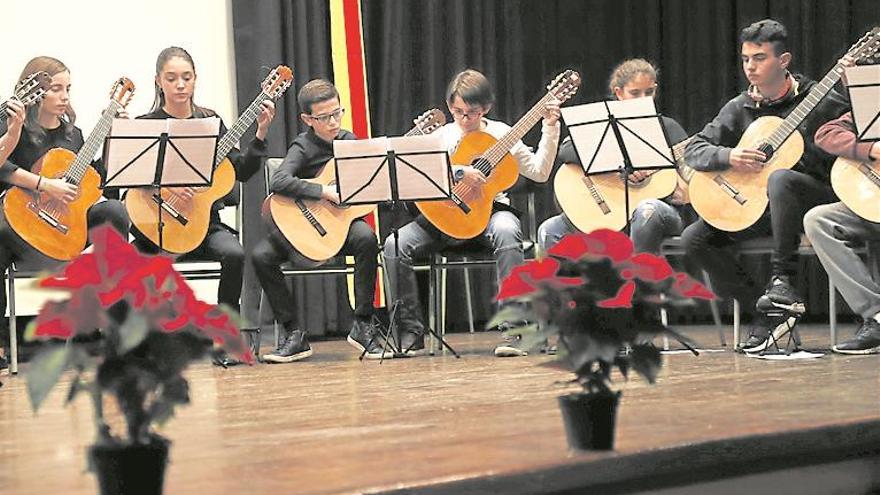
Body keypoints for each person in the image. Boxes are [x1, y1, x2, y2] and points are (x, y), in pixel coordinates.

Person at [681, 19, 849, 353]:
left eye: (759, 58)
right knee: (694, 238)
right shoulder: (740, 107)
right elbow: (695, 149)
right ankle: (768, 312)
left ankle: (782, 280)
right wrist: (729, 156)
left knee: (780, 177)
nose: (750, 67)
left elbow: (853, 127)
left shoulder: (819, 97)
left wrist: (846, 86)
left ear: (783, 60)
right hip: (759, 206)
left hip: (807, 199)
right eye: (745, 59)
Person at [382, 69, 561, 358]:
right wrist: (459, 172)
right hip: (442, 217)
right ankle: (410, 331)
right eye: (457, 111)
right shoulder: (442, 136)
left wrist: (550, 128)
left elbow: (540, 173)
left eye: (472, 113)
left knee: (506, 230)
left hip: (487, 214)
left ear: (486, 108)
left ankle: (516, 330)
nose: (464, 119)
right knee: (394, 244)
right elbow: (409, 173)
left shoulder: (503, 134)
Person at [132, 47, 275, 366]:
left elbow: (241, 170)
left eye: (186, 77)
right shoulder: (146, 125)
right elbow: (123, 180)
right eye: (172, 78)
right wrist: (164, 186)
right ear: (159, 81)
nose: (180, 84)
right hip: (154, 225)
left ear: (195, 80)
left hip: (202, 224)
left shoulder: (210, 122)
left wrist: (261, 134)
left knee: (234, 253)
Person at [0, 56, 131, 370]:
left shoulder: (75, 136)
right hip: (20, 231)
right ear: (35, 92)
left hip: (63, 231)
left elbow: (95, 183)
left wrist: (115, 136)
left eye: (68, 89)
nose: (64, 96)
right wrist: (44, 184)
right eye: (56, 89)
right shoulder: (11, 125)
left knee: (113, 210)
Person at [252, 79, 384, 363]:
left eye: (338, 113)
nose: (334, 122)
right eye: (324, 117)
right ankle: (294, 334)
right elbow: (279, 179)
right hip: (303, 228)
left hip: (340, 226)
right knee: (261, 255)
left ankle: (362, 323)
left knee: (366, 238)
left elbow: (370, 185)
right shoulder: (303, 145)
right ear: (307, 119)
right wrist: (323, 191)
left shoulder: (351, 143)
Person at [538, 58, 694, 254]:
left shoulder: (668, 128)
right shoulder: (607, 125)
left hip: (658, 212)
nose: (643, 98)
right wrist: (618, 166)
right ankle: (563, 285)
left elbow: (691, 178)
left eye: (649, 92)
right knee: (550, 230)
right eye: (635, 93)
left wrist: (683, 189)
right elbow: (567, 150)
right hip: (614, 211)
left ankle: (640, 281)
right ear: (619, 93)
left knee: (647, 209)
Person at [805, 110, 880, 354]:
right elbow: (827, 133)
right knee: (819, 220)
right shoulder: (874, 104)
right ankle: (877, 316)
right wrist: (870, 150)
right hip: (870, 204)